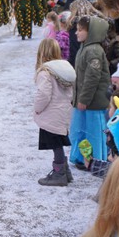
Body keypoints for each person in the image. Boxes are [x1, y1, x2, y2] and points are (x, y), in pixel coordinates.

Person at [69, 16, 111, 175]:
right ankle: (82, 157)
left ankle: (96, 160)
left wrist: (84, 99)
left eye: (80, 30)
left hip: (94, 103)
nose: (76, 33)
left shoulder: (93, 50)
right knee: (81, 130)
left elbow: (92, 78)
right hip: (84, 102)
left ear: (92, 32)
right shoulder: (84, 48)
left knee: (94, 132)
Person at [33, 39, 76, 186]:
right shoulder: (65, 70)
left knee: (55, 143)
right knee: (58, 141)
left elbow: (44, 94)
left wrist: (37, 108)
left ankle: (59, 173)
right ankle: (65, 171)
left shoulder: (45, 72)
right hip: (63, 112)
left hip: (50, 113)